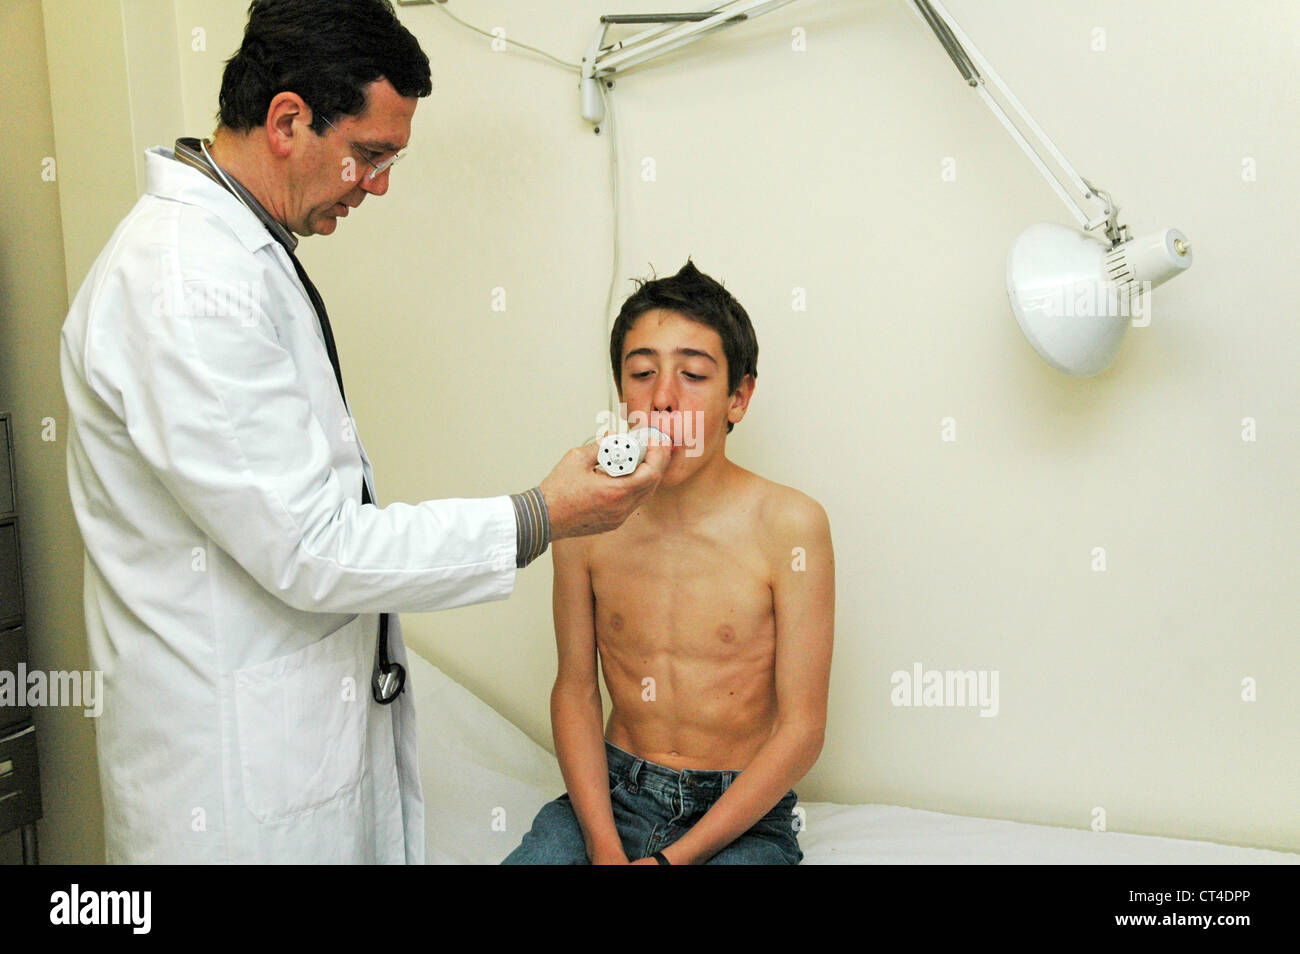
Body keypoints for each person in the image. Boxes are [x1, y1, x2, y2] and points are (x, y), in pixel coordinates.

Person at [59, 0, 665, 864]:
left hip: (294, 751)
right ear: (287, 120)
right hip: (229, 795)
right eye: (371, 154)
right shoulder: (186, 283)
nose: (378, 184)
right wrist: (542, 514)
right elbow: (314, 546)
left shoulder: (244, 255)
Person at [503, 260, 834, 865]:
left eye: (693, 375)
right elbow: (575, 689)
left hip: (741, 817)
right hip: (611, 796)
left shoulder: (791, 526)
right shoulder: (586, 517)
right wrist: (604, 846)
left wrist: (668, 863)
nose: (663, 399)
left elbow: (803, 729)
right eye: (642, 373)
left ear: (739, 397)